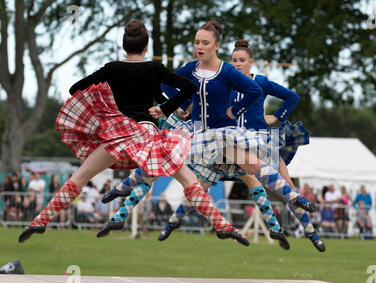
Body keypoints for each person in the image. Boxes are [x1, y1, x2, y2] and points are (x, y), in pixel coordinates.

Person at [18, 19, 248, 247]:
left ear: (124, 45)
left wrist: (104, 102)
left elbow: (74, 88)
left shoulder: (112, 68)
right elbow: (188, 87)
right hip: (147, 135)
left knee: (79, 178)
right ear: (146, 47)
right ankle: (223, 226)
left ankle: (40, 220)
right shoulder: (153, 69)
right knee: (189, 181)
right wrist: (167, 108)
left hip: (118, 134)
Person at [103, 28, 324, 252]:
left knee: (260, 173)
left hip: (243, 138)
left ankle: (307, 227)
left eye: (242, 60)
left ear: (249, 60)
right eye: (197, 42)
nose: (238, 64)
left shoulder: (241, 77)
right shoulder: (196, 70)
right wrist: (182, 104)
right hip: (207, 137)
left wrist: (274, 116)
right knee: (188, 177)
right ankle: (163, 219)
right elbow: (176, 88)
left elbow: (274, 94)